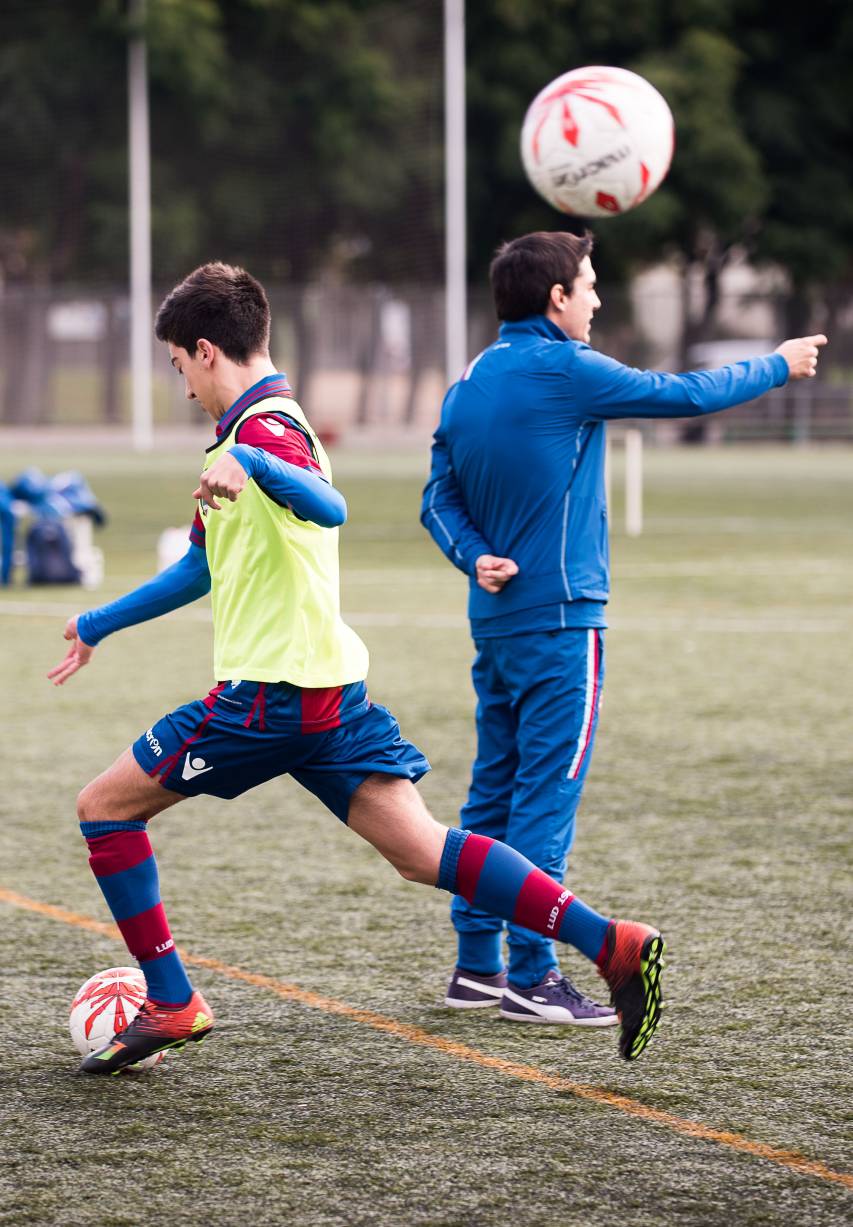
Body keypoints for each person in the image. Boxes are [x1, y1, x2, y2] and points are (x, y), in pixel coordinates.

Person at [49, 261, 667, 1075]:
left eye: (177, 366)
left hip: (268, 697)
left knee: (105, 809)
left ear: (204, 350)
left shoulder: (265, 433)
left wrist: (255, 464)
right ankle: (612, 942)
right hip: (327, 696)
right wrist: (98, 621)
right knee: (421, 850)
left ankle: (172, 1000)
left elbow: (328, 505)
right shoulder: (250, 432)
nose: (183, 384)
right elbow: (199, 568)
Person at [421, 230, 826, 1026]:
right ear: (556, 299)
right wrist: (777, 362)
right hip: (563, 622)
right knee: (542, 802)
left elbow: (437, 497)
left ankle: (475, 964)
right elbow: (683, 396)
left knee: (492, 794)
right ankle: (533, 977)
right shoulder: (565, 369)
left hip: (496, 626)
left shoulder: (468, 382)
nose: (598, 299)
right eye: (590, 285)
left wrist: (472, 556)